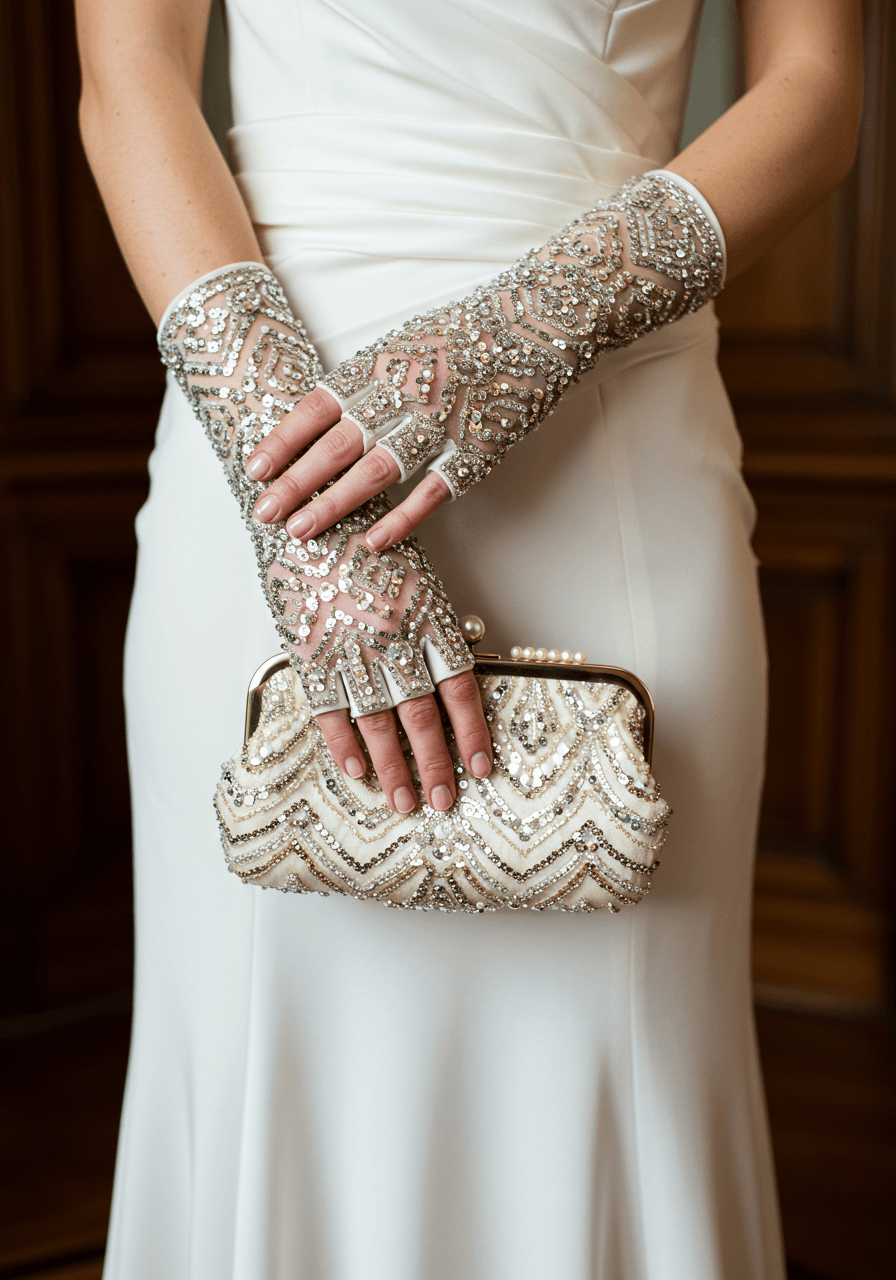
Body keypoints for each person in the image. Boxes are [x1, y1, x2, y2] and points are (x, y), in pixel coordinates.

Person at [76, 1, 862, 1276]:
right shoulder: (277, 481)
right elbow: (127, 70)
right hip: (266, 448)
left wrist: (519, 332)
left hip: (616, 426)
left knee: (618, 1079)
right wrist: (303, 526)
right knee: (267, 1055)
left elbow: (815, 89)